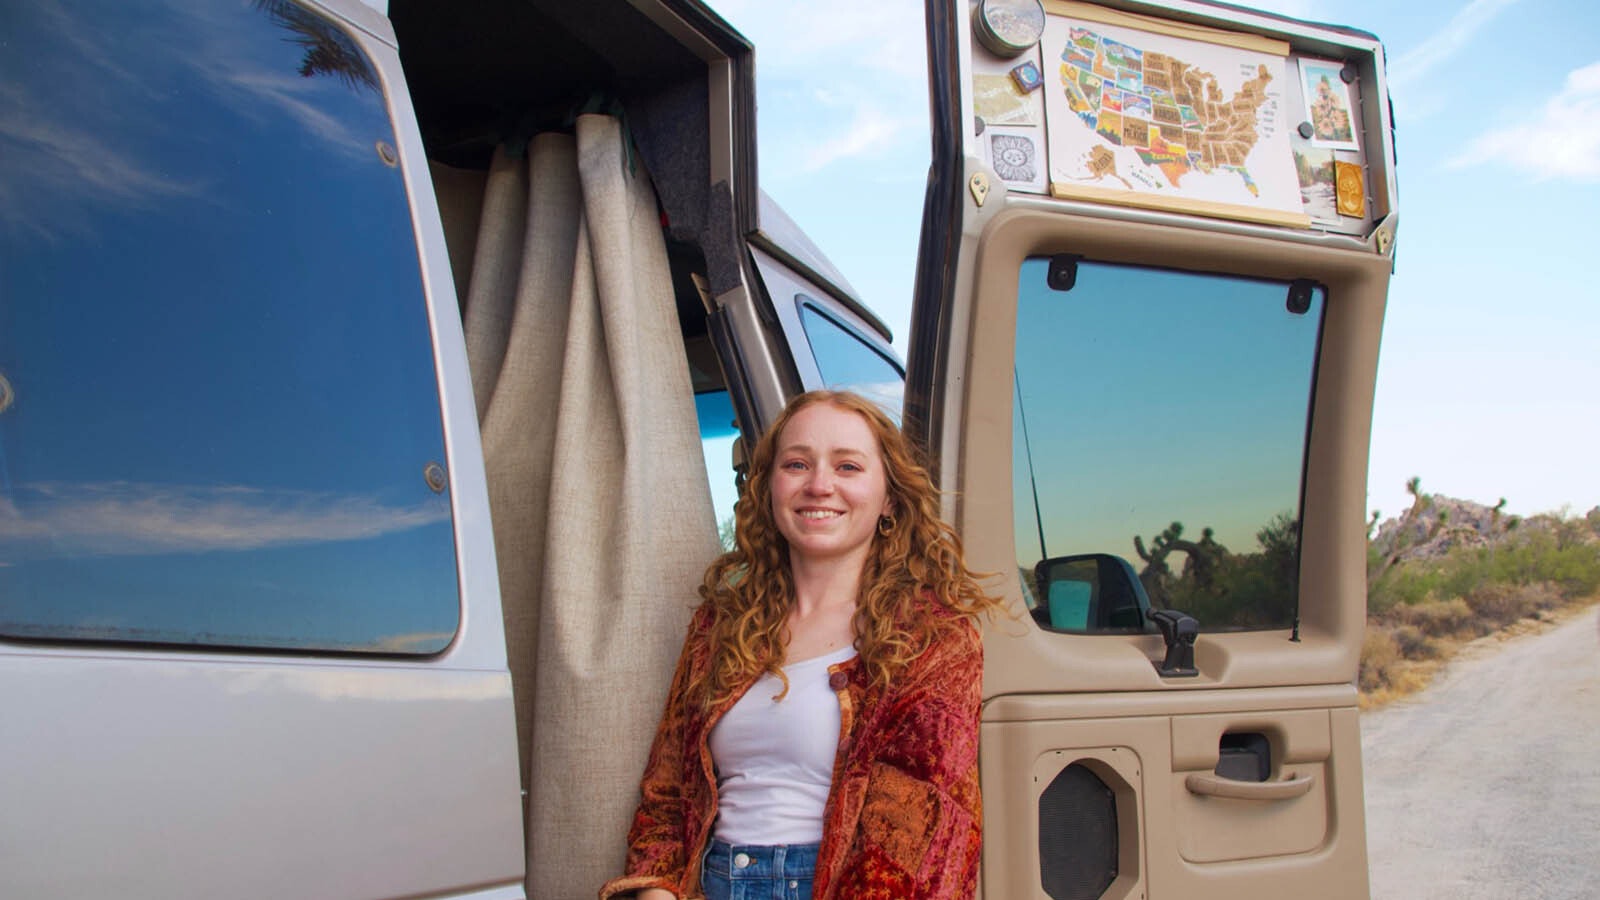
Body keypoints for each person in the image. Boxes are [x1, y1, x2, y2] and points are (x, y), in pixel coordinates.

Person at [599, 390, 1003, 900]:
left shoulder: (933, 639)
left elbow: (917, 843)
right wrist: (656, 891)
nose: (819, 485)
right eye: (796, 463)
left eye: (848, 467)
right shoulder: (720, 625)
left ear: (890, 499)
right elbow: (667, 794)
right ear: (770, 486)